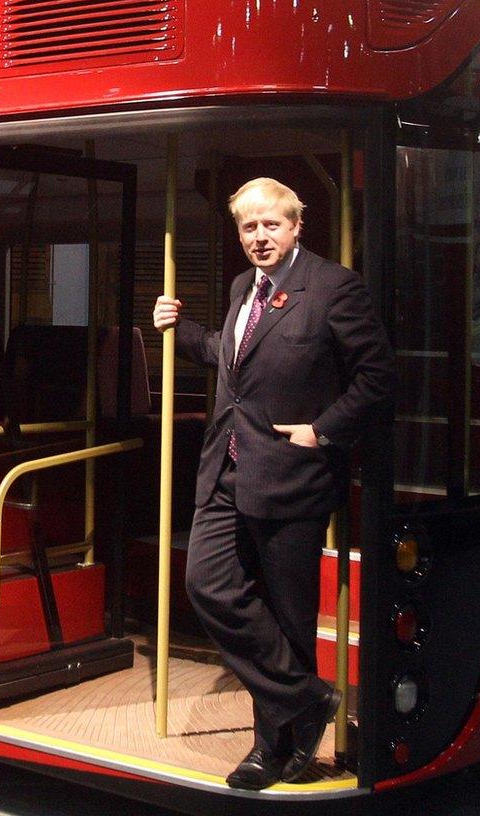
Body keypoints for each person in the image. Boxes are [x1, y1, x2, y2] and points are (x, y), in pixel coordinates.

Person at [153, 177, 394, 790]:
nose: (259, 237)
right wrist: (177, 328)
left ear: (295, 226)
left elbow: (377, 377)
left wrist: (322, 431)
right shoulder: (242, 288)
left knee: (288, 618)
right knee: (204, 584)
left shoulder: (333, 287)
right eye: (248, 227)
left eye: (270, 225)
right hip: (227, 469)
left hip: (292, 476)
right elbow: (230, 358)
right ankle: (308, 698)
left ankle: (273, 750)